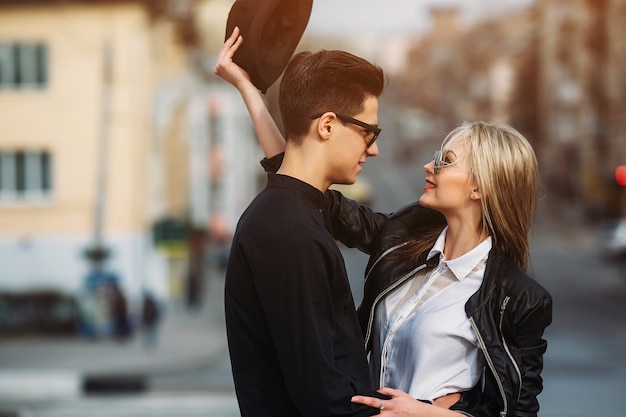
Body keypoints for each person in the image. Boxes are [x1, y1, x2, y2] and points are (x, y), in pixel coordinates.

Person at [216, 30, 553, 417]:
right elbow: (301, 178)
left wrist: (429, 414)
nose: (429, 166)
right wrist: (248, 90)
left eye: (445, 161)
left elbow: (518, 412)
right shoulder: (403, 244)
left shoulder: (518, 298)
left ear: (480, 187)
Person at [215, 27, 389, 416]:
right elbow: (323, 397)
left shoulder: (293, 209)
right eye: (368, 132)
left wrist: (247, 88)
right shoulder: (292, 235)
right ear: (327, 125)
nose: (373, 149)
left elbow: (291, 167)